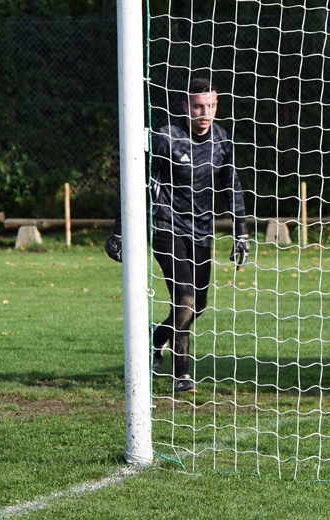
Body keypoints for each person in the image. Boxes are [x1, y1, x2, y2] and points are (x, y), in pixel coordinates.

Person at [104, 78, 249, 393]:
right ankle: (181, 374)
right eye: (198, 106)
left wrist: (241, 232)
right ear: (185, 107)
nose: (204, 112)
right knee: (184, 298)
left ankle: (157, 337)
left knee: (198, 305)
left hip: (202, 231)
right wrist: (118, 229)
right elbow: (136, 180)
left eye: (209, 105)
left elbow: (232, 186)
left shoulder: (222, 140)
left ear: (216, 105)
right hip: (166, 225)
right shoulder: (167, 138)